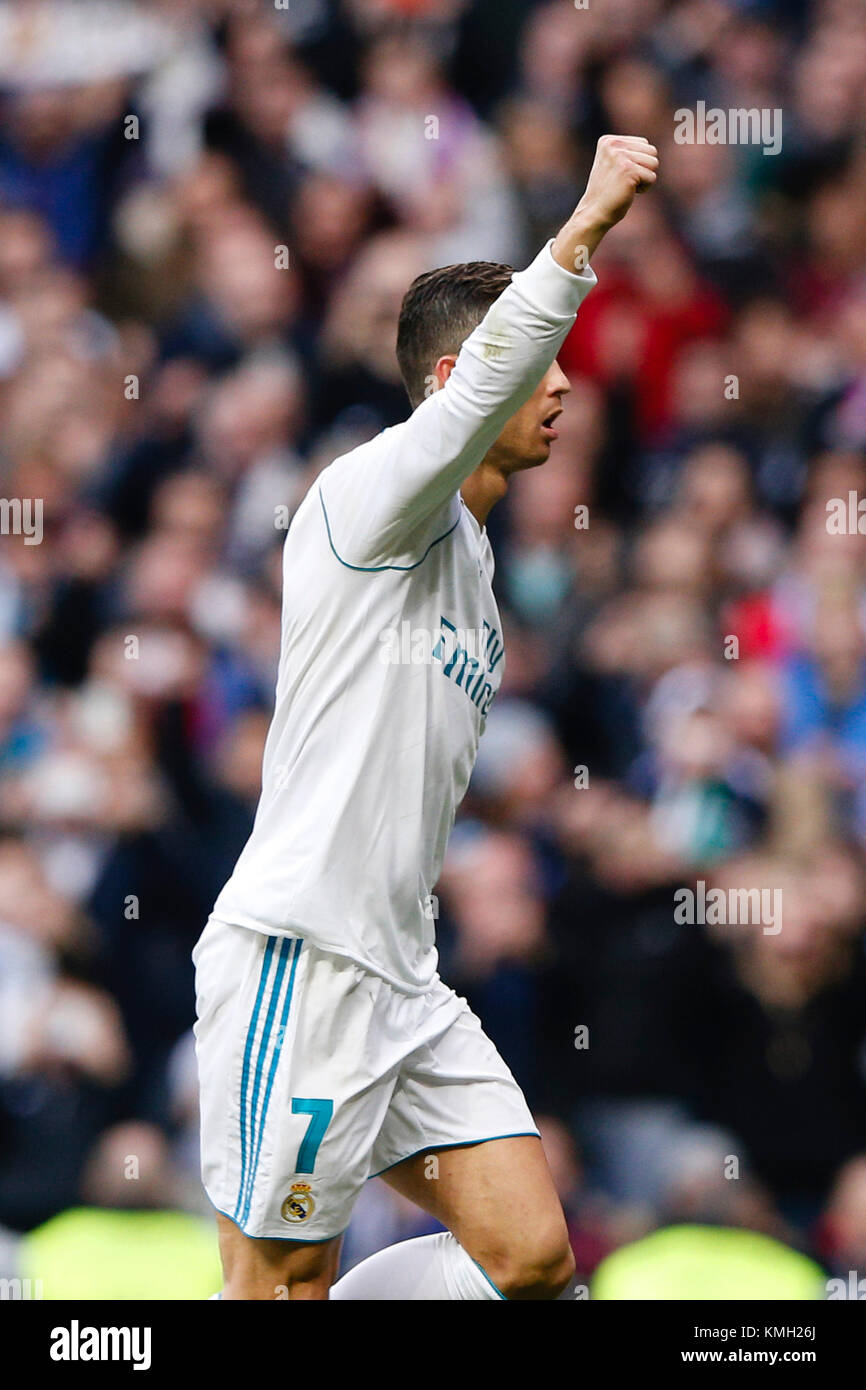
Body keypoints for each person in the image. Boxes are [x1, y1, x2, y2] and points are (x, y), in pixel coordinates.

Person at [193, 134, 659, 1300]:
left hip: (400, 981)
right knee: (279, 1283)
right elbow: (480, 389)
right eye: (537, 362)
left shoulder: (476, 577)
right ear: (462, 384)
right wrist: (583, 229)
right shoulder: (370, 498)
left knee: (536, 1263)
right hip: (298, 960)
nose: (560, 387)